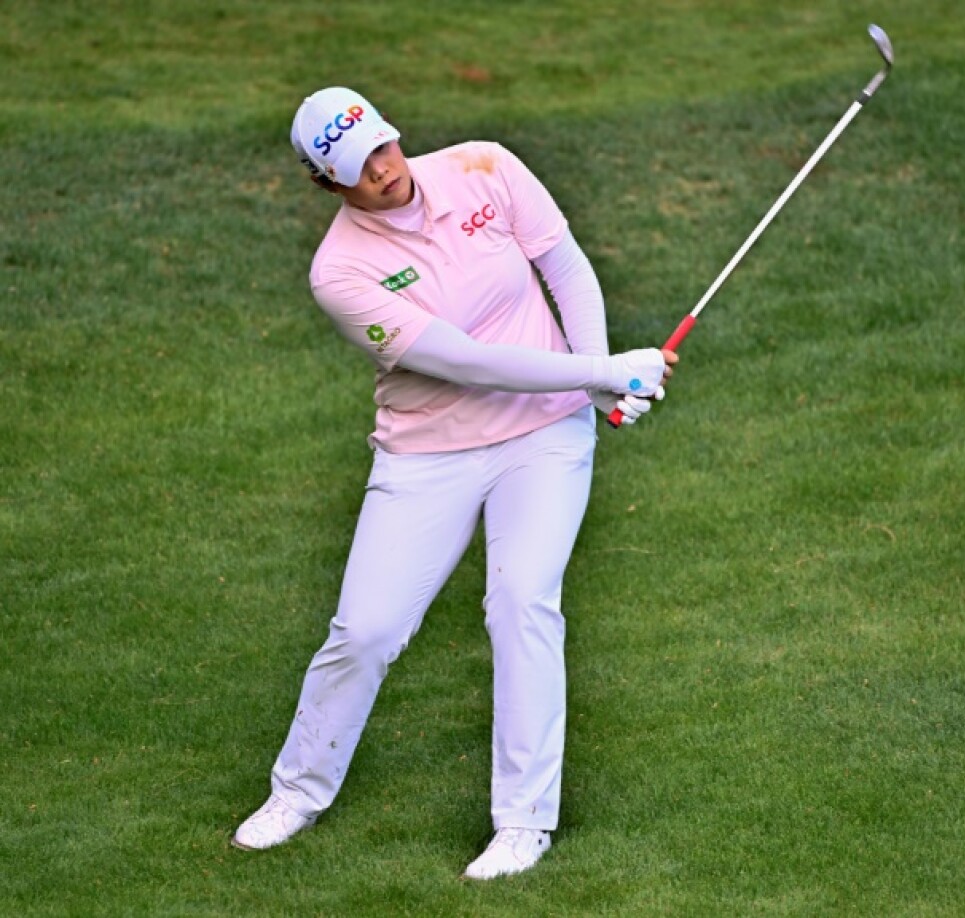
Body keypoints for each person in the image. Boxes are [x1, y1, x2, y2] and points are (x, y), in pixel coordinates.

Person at [230, 87, 676, 880]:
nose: (382, 170)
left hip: (543, 434)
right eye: (358, 167)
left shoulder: (485, 166)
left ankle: (524, 823)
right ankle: (298, 790)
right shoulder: (340, 272)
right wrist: (601, 373)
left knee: (522, 602)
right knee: (365, 631)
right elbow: (465, 361)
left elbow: (565, 267)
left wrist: (598, 377)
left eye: (382, 146)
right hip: (425, 454)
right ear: (327, 184)